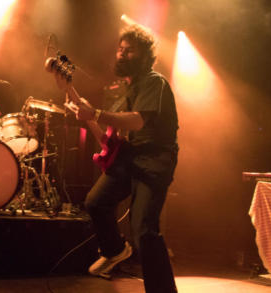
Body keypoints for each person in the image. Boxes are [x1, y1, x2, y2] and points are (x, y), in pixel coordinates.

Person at [54, 24, 178, 292]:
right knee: (96, 202)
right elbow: (105, 138)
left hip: (155, 160)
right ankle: (115, 250)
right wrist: (72, 93)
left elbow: (136, 122)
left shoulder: (154, 82)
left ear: (145, 55)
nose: (121, 54)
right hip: (131, 157)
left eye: (129, 50)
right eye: (120, 49)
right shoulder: (126, 92)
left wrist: (95, 113)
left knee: (144, 230)